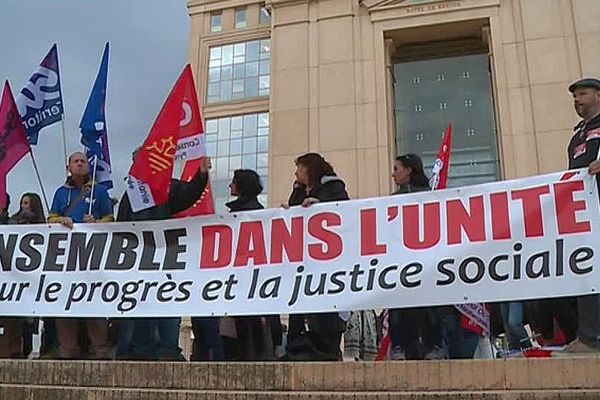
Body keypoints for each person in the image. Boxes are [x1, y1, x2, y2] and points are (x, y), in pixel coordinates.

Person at [116, 149, 210, 361]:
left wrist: (201, 175)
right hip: (139, 259)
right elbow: (121, 225)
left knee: (167, 301)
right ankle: (141, 349)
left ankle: (167, 349)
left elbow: (188, 195)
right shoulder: (131, 193)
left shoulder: (167, 186)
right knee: (141, 305)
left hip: (165, 256)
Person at [282, 153, 349, 361]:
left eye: (300, 168)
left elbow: (345, 212)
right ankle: (296, 347)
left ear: (310, 168)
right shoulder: (298, 190)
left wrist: (320, 205)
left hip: (327, 262)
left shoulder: (334, 187)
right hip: (302, 262)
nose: (296, 173)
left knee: (325, 308)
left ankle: (325, 348)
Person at [48, 152, 114, 359]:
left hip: (92, 256)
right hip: (67, 256)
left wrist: (96, 222)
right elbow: (51, 217)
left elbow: (110, 218)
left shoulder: (100, 192)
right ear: (68, 167)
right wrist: (62, 220)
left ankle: (100, 348)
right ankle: (68, 348)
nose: (79, 164)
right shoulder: (61, 193)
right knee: (65, 299)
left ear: (88, 166)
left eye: (82, 161)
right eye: (75, 161)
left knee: (94, 299)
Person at [387, 154, 445, 360]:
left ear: (409, 170)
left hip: (427, 262)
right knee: (398, 306)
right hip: (400, 263)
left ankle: (433, 346)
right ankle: (399, 346)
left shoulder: (430, 196)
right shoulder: (392, 200)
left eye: (397, 168)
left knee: (429, 306)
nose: (393, 174)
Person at [560, 78, 600, 354]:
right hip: (586, 214)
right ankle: (587, 336)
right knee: (586, 271)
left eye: (583, 93)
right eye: (574, 96)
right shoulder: (577, 136)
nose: (577, 99)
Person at [225, 169, 282, 360]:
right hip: (248, 274)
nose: (230, 185)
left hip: (248, 276)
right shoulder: (253, 211)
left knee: (248, 321)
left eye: (233, 181)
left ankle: (252, 357)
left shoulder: (248, 213)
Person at [10, 193, 46, 358]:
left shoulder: (42, 226)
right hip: (15, 275)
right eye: (22, 203)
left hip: (33, 277)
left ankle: (28, 346)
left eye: (28, 203)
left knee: (29, 317)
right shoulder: (13, 222)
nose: (24, 206)